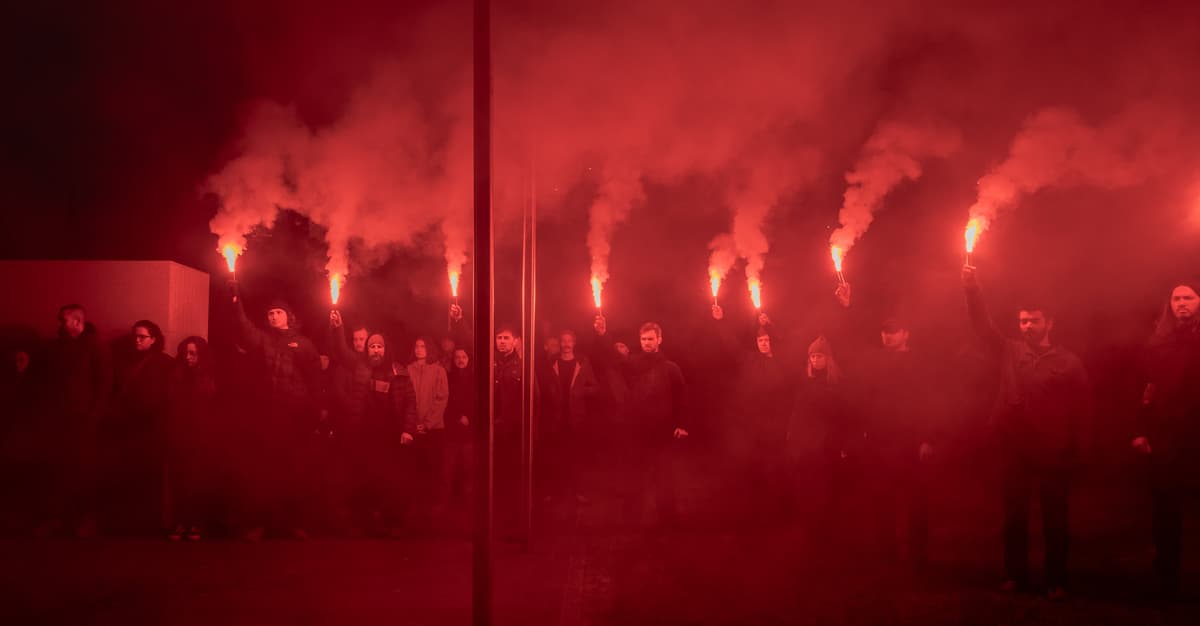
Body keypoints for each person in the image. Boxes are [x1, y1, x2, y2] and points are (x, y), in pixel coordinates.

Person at [962, 265, 1090, 601]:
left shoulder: (1068, 362)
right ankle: (1015, 575)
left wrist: (1077, 451)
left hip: (1052, 451)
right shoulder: (1010, 351)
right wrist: (972, 289)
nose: (1027, 326)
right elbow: (982, 327)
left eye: (1033, 320)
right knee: (1014, 517)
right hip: (1015, 449)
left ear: (1049, 323)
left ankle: (1056, 580)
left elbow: (1081, 410)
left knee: (1055, 520)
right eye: (1022, 321)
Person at [835, 283, 937, 566]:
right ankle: (887, 556)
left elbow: (929, 400)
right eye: (884, 332)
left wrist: (928, 438)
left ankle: (919, 559)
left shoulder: (918, 363)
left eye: (893, 332)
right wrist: (846, 308)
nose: (887, 336)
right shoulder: (874, 361)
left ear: (905, 334)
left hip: (910, 443)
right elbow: (849, 345)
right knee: (882, 501)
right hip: (880, 442)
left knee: (917, 503)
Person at [230, 285, 323, 541]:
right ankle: (262, 524)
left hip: (295, 416)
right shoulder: (263, 339)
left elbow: (315, 380)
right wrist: (237, 302)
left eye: (278, 312)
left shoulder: (303, 344)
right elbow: (244, 327)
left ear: (288, 316)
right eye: (270, 313)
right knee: (265, 471)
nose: (273, 317)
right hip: (268, 416)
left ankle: (293, 523)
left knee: (294, 471)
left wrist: (316, 413)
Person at [1132, 281, 1200, 599]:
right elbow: (1147, 388)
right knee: (1165, 508)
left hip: (1194, 432)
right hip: (1168, 434)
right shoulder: (1159, 342)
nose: (1182, 303)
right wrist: (1140, 430)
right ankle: (1166, 578)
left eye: (1188, 297)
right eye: (1176, 298)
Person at [329, 312, 417, 537]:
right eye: (371, 347)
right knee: (364, 480)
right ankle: (365, 524)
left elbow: (410, 402)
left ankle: (392, 524)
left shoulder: (399, 372)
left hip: (390, 437)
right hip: (364, 437)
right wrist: (338, 328)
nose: (375, 350)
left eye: (379, 347)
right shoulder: (360, 368)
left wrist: (408, 430)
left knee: (391, 482)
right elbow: (341, 351)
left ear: (385, 349)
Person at [711, 305, 792, 523]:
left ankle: (781, 510)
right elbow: (731, 346)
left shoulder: (782, 362)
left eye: (767, 340)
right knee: (754, 466)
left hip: (777, 423)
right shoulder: (750, 360)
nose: (764, 343)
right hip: (754, 423)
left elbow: (786, 345)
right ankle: (757, 510)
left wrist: (770, 326)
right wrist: (720, 322)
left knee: (776, 466)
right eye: (760, 341)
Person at [39, 304, 111, 538]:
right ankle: (64, 519)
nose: (59, 324)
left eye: (63, 320)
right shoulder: (59, 347)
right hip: (64, 419)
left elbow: (104, 383)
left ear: (76, 322)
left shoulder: (93, 347)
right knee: (61, 471)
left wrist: (94, 415)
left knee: (81, 470)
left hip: (81, 421)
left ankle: (82, 520)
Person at [615, 321, 688, 527]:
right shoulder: (632, 364)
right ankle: (631, 520)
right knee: (634, 475)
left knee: (664, 476)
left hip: (663, 432)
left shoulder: (670, 368)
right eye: (643, 339)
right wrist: (603, 336)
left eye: (650, 339)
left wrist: (681, 424)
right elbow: (610, 361)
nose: (646, 343)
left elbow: (681, 398)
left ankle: (668, 519)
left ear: (659, 340)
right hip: (637, 431)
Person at [104, 320, 174, 533]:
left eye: (142, 336)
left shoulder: (166, 363)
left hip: (152, 427)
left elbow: (169, 397)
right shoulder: (123, 361)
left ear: (154, 339)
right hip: (127, 425)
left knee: (150, 475)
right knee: (128, 474)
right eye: (135, 336)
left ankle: (148, 523)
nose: (137, 340)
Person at [789, 335, 861, 543]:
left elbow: (847, 415)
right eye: (811, 356)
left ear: (827, 358)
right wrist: (793, 438)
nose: (814, 360)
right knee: (809, 490)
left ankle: (830, 531)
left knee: (829, 489)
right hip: (808, 447)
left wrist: (846, 443)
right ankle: (813, 531)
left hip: (829, 445)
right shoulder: (806, 382)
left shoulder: (837, 383)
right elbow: (797, 413)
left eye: (818, 356)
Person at [537, 329, 601, 506]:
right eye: (563, 341)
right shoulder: (551, 363)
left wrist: (580, 391)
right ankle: (552, 492)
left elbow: (595, 387)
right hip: (555, 419)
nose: (566, 344)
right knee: (554, 458)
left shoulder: (583, 364)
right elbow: (540, 387)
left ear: (574, 343)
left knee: (575, 458)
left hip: (575, 419)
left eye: (569, 341)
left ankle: (578, 492)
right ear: (560, 343)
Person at [166, 337, 219, 541]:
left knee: (198, 480)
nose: (188, 357)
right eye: (185, 353)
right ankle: (181, 521)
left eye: (193, 353)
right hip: (181, 433)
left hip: (202, 435)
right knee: (180, 478)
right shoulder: (176, 375)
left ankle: (196, 522)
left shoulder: (210, 377)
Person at [406, 337, 450, 527]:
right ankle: (414, 512)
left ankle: (431, 516)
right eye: (416, 346)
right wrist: (413, 423)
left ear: (429, 349)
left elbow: (442, 398)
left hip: (433, 430)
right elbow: (405, 397)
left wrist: (428, 423)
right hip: (413, 429)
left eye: (423, 346)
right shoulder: (408, 370)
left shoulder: (439, 370)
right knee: (414, 471)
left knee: (432, 470)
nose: (419, 349)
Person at [444, 348, 475, 513]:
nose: (461, 360)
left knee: (469, 469)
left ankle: (468, 504)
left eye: (464, 356)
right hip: (451, 431)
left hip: (469, 432)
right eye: (457, 357)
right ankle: (446, 504)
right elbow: (444, 401)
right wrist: (457, 416)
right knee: (448, 469)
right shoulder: (448, 378)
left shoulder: (475, 379)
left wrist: (469, 417)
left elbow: (480, 401)